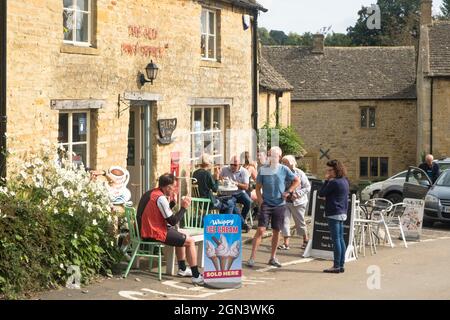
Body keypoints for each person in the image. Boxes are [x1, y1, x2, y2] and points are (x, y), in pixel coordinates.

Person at [137, 173, 204, 285]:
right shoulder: (161, 198)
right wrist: (184, 208)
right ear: (167, 187)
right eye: (173, 186)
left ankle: (182, 269)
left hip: (146, 229)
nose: (174, 189)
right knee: (190, 241)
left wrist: (172, 203)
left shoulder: (152, 193)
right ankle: (196, 275)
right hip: (152, 232)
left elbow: (162, 213)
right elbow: (172, 221)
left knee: (181, 235)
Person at [247, 146, 300, 268]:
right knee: (260, 230)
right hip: (266, 203)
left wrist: (289, 191)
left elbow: (297, 181)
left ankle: (272, 257)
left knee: (276, 231)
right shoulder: (263, 169)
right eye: (269, 155)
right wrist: (260, 201)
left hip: (279, 204)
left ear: (279, 157)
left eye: (273, 156)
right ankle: (252, 258)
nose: (271, 158)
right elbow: (258, 188)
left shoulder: (284, 169)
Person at [318, 160, 350, 274]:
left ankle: (336, 265)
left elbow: (321, 193)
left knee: (336, 239)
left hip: (334, 212)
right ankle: (341, 264)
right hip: (342, 211)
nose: (328, 172)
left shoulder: (334, 182)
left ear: (336, 170)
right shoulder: (345, 181)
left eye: (330, 170)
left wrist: (326, 181)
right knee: (340, 239)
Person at [278, 155, 311, 251]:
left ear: (291, 163)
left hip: (298, 201)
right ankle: (286, 243)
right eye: (282, 162)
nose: (283, 164)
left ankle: (305, 240)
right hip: (285, 201)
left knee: (300, 222)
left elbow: (307, 187)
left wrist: (297, 194)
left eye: (285, 162)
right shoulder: (281, 173)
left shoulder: (300, 173)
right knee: (285, 221)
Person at [220, 155, 253, 233]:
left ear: (239, 165)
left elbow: (246, 187)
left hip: (239, 192)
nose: (233, 166)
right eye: (231, 164)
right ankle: (242, 224)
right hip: (228, 193)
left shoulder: (244, 171)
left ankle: (242, 220)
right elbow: (218, 178)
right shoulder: (225, 169)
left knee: (248, 202)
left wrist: (236, 184)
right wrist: (221, 179)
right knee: (232, 204)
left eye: (235, 165)